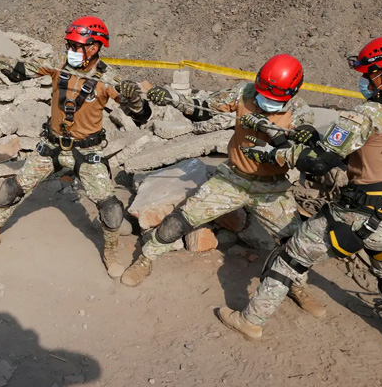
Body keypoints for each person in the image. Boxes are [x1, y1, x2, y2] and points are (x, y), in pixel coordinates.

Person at [220, 36, 382, 370]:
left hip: (355, 215)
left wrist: (275, 153)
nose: (363, 79)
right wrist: (315, 136)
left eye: (368, 72)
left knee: (290, 257)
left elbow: (317, 163)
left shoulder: (368, 113)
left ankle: (251, 321)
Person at [120, 55, 326, 315]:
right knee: (180, 220)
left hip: (272, 187)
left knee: (294, 240)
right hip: (232, 178)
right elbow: (202, 107)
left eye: (275, 98)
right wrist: (172, 99)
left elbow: (303, 144)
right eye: (263, 93)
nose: (266, 101)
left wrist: (298, 136)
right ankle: (145, 259)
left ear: (292, 92)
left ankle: (297, 285)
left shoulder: (299, 111)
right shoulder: (245, 92)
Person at [0, 16, 151, 278]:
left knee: (110, 207)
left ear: (94, 48)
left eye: (76, 46)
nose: (70, 51)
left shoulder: (110, 80)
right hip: (52, 145)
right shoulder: (58, 65)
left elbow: (142, 117)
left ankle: (111, 252)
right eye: (69, 45)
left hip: (88, 152)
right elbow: (20, 70)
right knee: (12, 189)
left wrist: (134, 99)